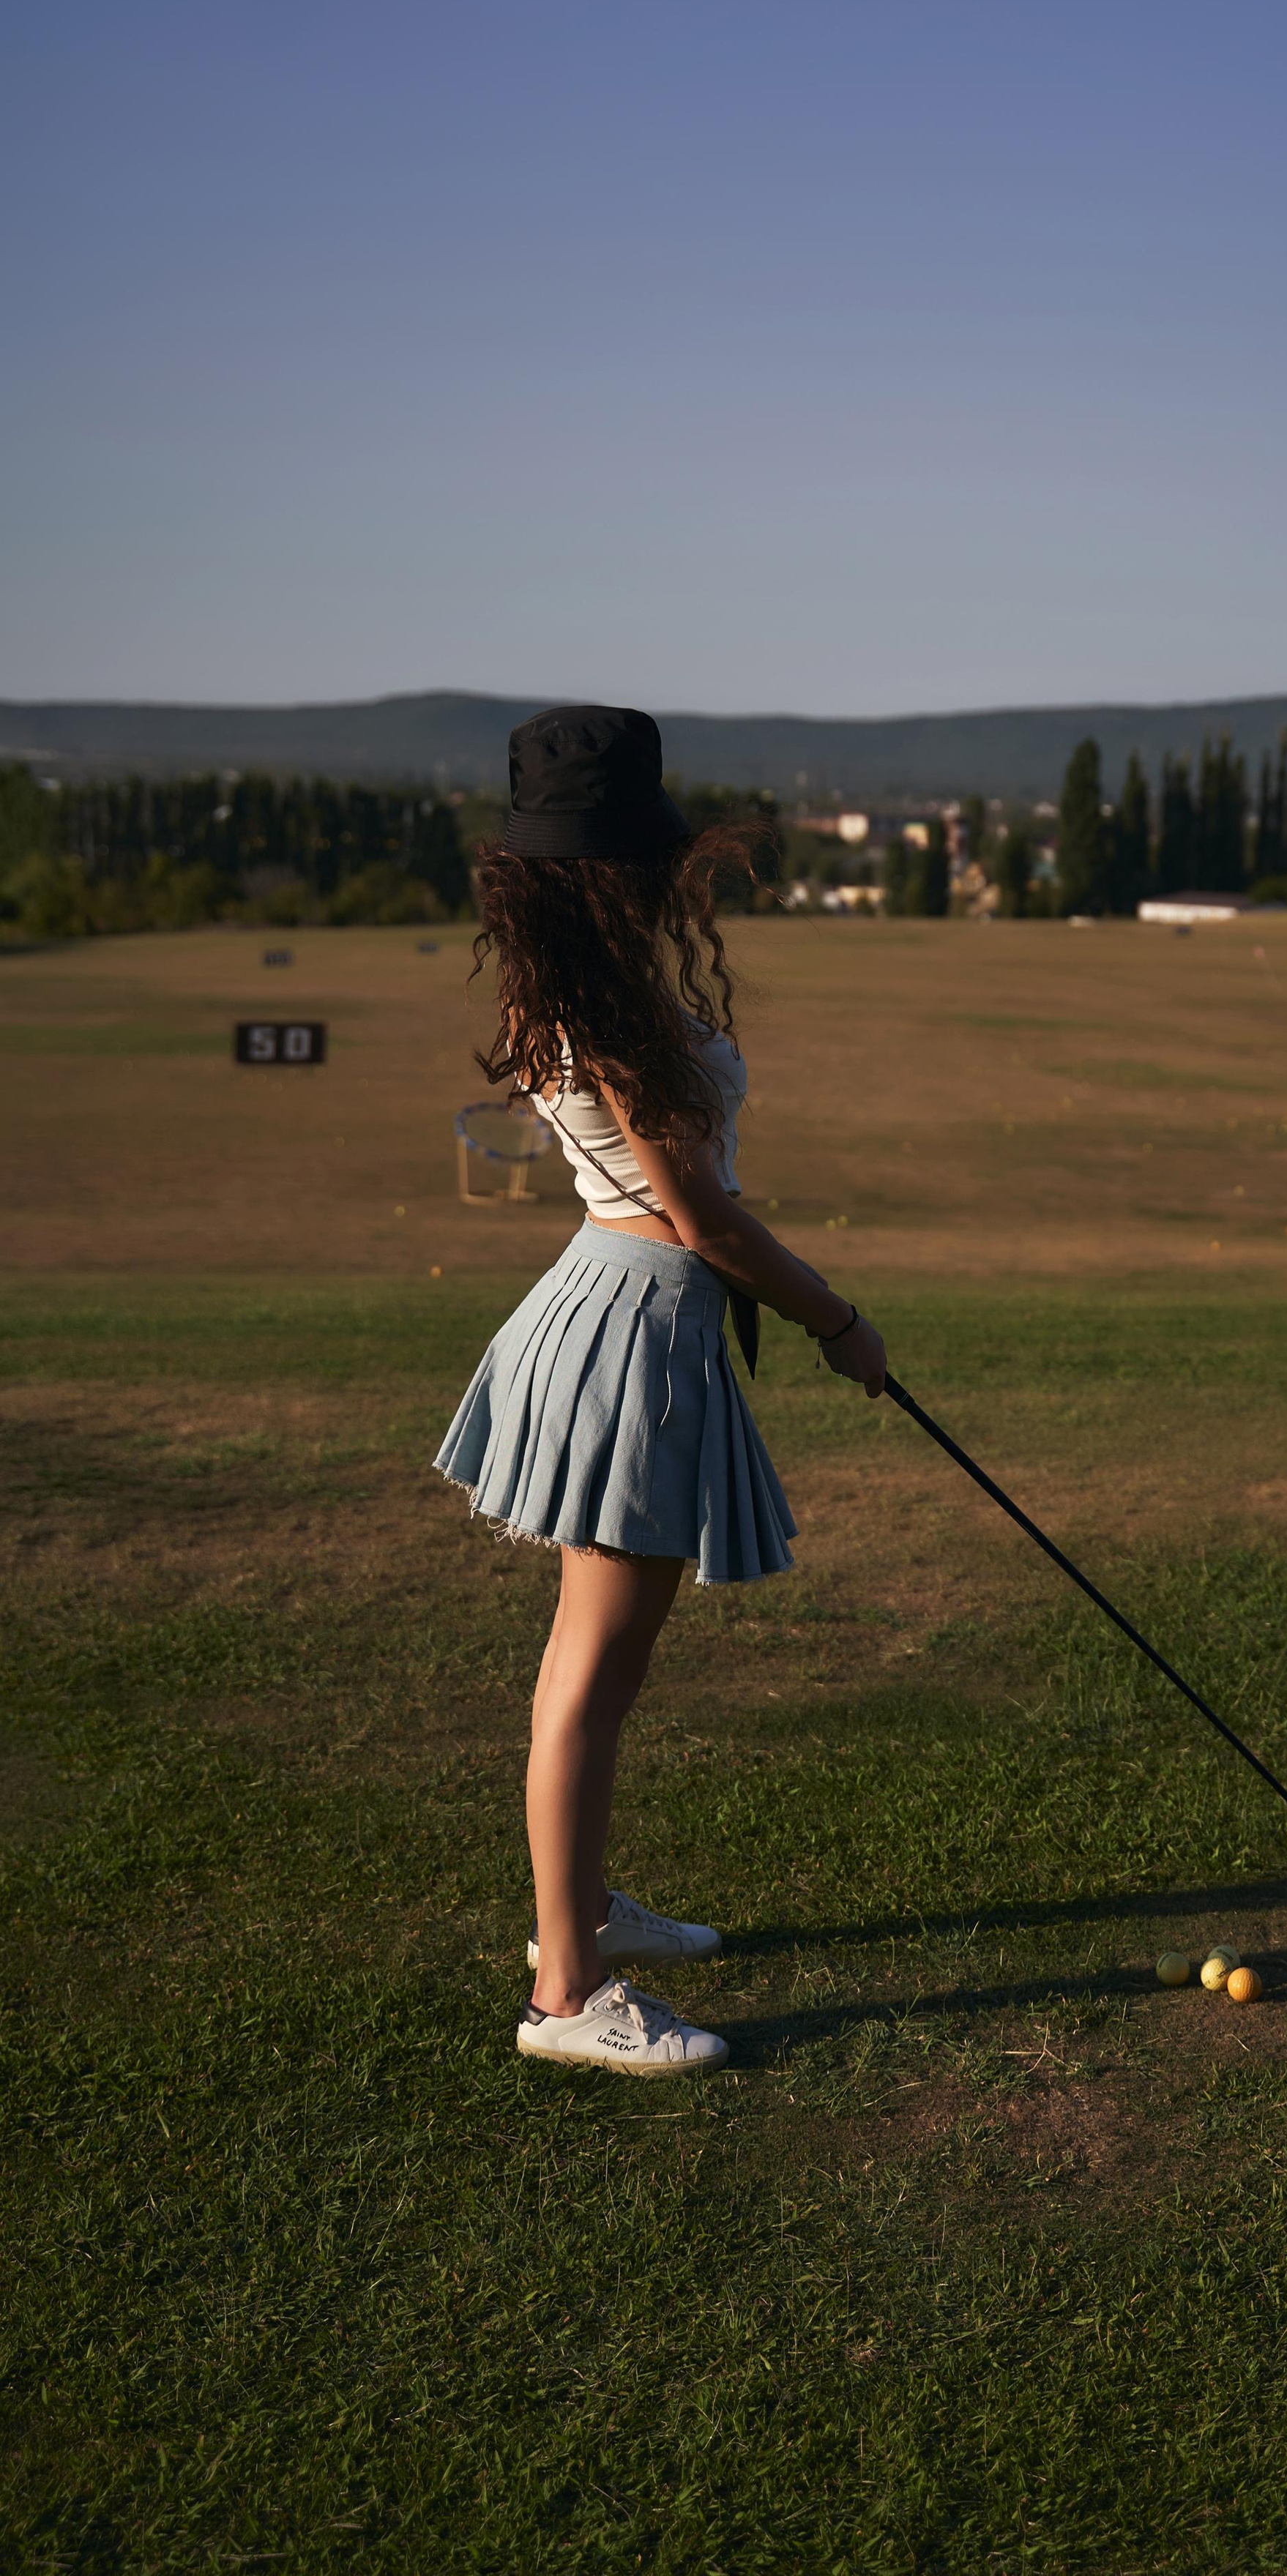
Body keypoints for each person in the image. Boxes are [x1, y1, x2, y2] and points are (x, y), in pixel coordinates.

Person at [436, 706, 887, 2077]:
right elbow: (707, 1220)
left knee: (607, 1667)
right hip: (636, 1329)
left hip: (609, 1302)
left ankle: (579, 1912)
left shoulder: (566, 980)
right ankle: (567, 1996)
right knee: (588, 1673)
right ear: (614, 862)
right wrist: (838, 1321)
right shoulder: (611, 1010)